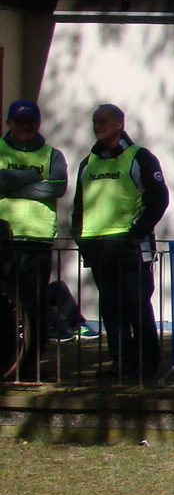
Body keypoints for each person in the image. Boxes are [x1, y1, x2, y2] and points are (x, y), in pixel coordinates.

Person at [72, 104, 169, 383]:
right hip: (98, 247)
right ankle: (121, 362)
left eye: (104, 121)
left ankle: (147, 364)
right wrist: (81, 238)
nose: (98, 126)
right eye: (95, 121)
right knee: (111, 310)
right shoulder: (88, 163)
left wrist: (136, 233)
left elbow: (158, 199)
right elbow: (79, 206)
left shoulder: (139, 157)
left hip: (130, 248)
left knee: (136, 306)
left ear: (120, 124)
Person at [0, 101, 68, 381]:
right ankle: (6, 362)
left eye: (30, 121)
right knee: (5, 308)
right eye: (19, 121)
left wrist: (12, 186)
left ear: (38, 123)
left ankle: (31, 367)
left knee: (35, 307)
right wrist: (31, 177)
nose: (25, 126)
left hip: (38, 241)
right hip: (4, 241)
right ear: (9, 123)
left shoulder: (53, 155)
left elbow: (57, 187)